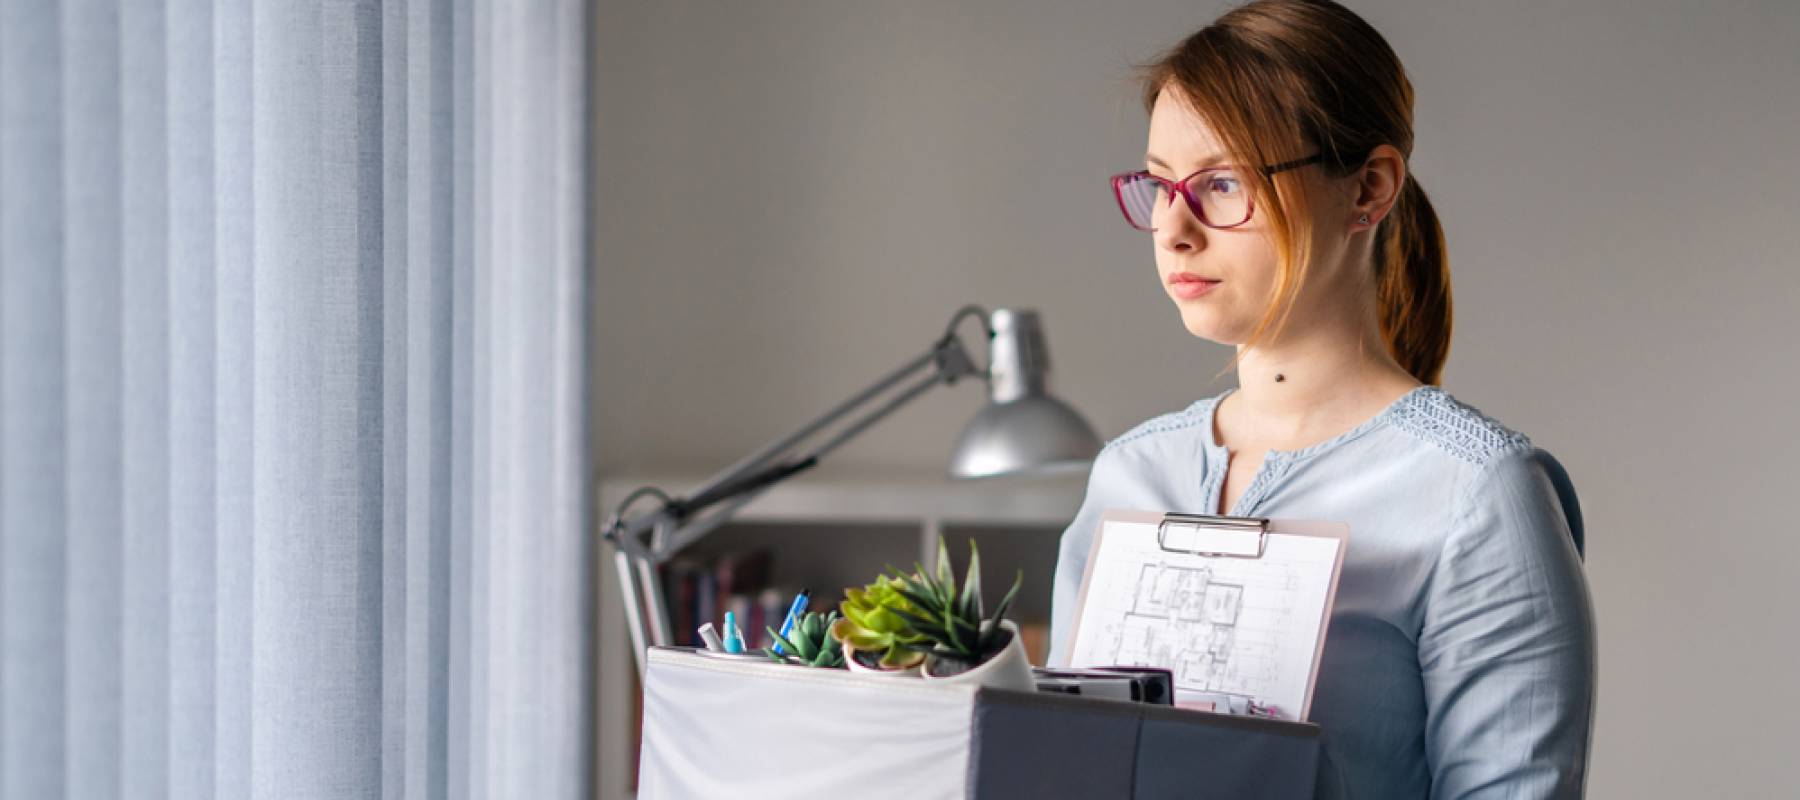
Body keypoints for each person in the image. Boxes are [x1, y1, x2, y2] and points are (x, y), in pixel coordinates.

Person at [1046, 1, 1598, 797]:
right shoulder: (1129, 476)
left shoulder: (1476, 494)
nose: (1174, 229)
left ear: (1368, 189)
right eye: (1161, 186)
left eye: (1223, 182)